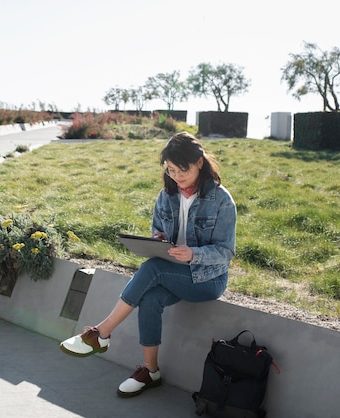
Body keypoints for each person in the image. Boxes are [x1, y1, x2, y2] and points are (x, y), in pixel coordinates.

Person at [59, 131, 236, 397]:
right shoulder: (166, 196)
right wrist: (159, 240)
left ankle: (101, 333)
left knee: (151, 269)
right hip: (173, 272)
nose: (177, 176)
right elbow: (158, 230)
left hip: (208, 279)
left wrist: (194, 255)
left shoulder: (221, 200)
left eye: (182, 169)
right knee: (150, 298)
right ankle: (150, 371)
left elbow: (225, 252)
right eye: (171, 170)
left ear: (200, 161)